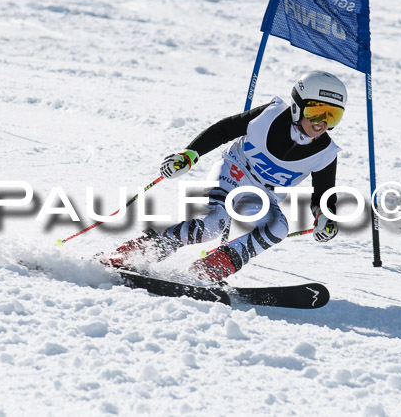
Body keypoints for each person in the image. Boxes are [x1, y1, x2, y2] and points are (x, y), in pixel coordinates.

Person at [103, 71, 346, 282]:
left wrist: (325, 217)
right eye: (316, 112)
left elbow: (323, 196)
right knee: (212, 225)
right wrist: (190, 154)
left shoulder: (325, 153)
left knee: (278, 228)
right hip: (234, 171)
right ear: (297, 106)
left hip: (262, 197)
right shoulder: (270, 115)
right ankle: (137, 252)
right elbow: (225, 129)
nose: (322, 122)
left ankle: (211, 268)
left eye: (332, 115)